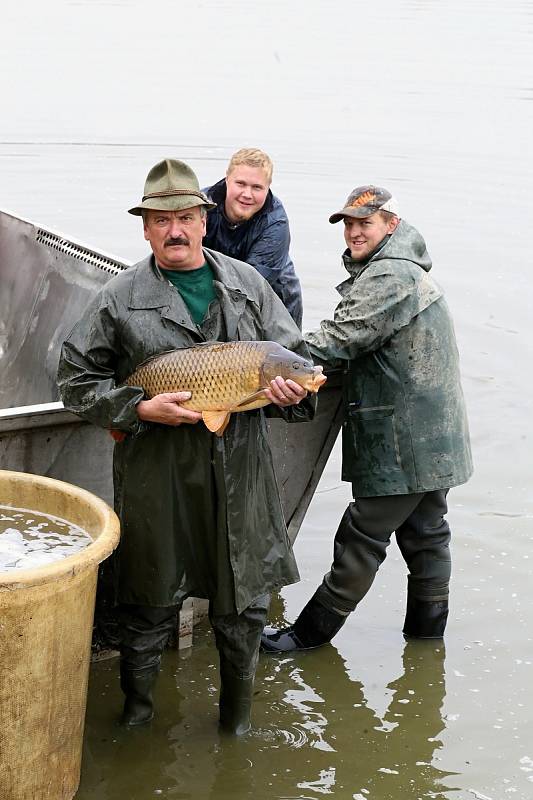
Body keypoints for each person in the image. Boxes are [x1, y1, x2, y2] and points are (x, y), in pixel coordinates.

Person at [57, 158, 315, 734]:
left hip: (241, 473)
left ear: (205, 219)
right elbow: (75, 380)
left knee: (244, 602)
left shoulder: (249, 286)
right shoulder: (119, 298)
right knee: (148, 600)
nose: (175, 230)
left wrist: (282, 394)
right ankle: (137, 715)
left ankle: (237, 720)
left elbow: (300, 375)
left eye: (186, 217)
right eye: (160, 219)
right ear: (145, 229)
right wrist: (138, 409)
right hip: (156, 474)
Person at [261, 185, 473, 653]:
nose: (354, 232)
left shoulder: (390, 275)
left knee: (362, 533)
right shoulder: (402, 270)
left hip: (405, 439)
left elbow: (341, 337)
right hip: (436, 438)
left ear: (391, 225)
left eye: (365, 223)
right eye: (349, 224)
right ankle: (425, 641)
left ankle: (308, 636)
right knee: (427, 535)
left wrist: (265, 363)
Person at [202, 147, 303, 328]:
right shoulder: (201, 206)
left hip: (273, 300)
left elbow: (249, 287)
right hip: (214, 287)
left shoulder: (275, 223)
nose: (247, 194)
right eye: (240, 184)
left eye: (257, 187)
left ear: (268, 187)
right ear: (227, 179)